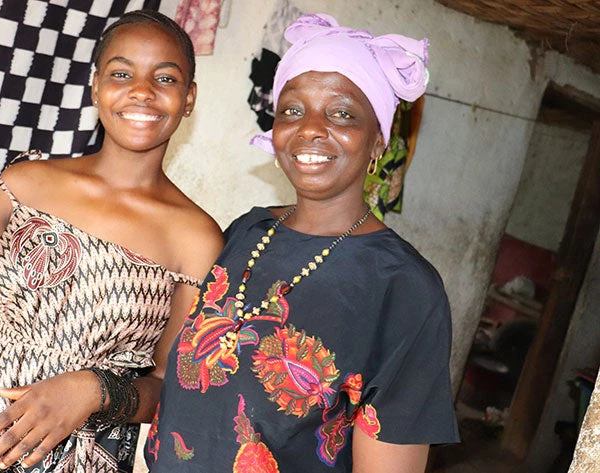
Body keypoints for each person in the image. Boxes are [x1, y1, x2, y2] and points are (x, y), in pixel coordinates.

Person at [0, 10, 223, 473]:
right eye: (122, 73)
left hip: (81, 457)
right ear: (95, 85)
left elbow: (168, 390)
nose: (142, 90)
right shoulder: (24, 183)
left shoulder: (197, 239)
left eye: (165, 77)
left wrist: (92, 390)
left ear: (189, 97)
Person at [145, 13, 459, 473]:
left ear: (377, 142)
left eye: (342, 113)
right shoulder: (245, 233)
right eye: (292, 109)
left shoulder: (404, 288)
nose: (310, 128)